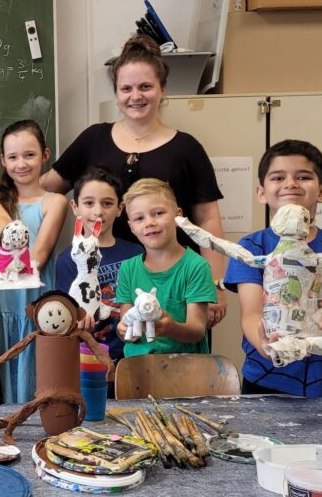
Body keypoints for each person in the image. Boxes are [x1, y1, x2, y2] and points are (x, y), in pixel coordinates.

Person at [42, 34, 228, 327]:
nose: (135, 96)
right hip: (100, 286)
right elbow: (43, 191)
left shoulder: (187, 149)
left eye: (145, 87)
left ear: (163, 89)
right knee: (108, 362)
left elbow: (208, 221)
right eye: (125, 88)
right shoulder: (93, 139)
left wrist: (215, 285)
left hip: (173, 282)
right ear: (116, 93)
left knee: (171, 355)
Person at [224, 140, 322, 400]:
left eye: (303, 176)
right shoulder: (253, 246)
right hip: (263, 378)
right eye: (278, 177)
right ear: (261, 193)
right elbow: (250, 314)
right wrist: (265, 346)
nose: (291, 183)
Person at [0, 120, 68, 403]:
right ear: (3, 160)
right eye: (13, 157)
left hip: (37, 306)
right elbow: (4, 226)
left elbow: (39, 257)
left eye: (29, 155)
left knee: (39, 385)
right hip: (3, 307)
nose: (22, 164)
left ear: (45, 155)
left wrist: (9, 254)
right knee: (5, 389)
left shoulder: (55, 201)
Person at [116, 179, 218, 356]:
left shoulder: (196, 266)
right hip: (137, 373)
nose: (149, 222)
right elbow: (125, 324)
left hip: (185, 372)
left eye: (158, 213)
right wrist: (124, 331)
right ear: (131, 227)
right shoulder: (127, 269)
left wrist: (171, 328)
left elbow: (197, 330)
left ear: (178, 215)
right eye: (139, 218)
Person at [55, 167, 143, 364]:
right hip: (85, 359)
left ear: (120, 208)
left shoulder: (136, 254)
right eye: (88, 203)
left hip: (130, 357)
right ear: (75, 206)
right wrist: (77, 321)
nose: (98, 212)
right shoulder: (67, 259)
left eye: (107, 203)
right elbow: (65, 315)